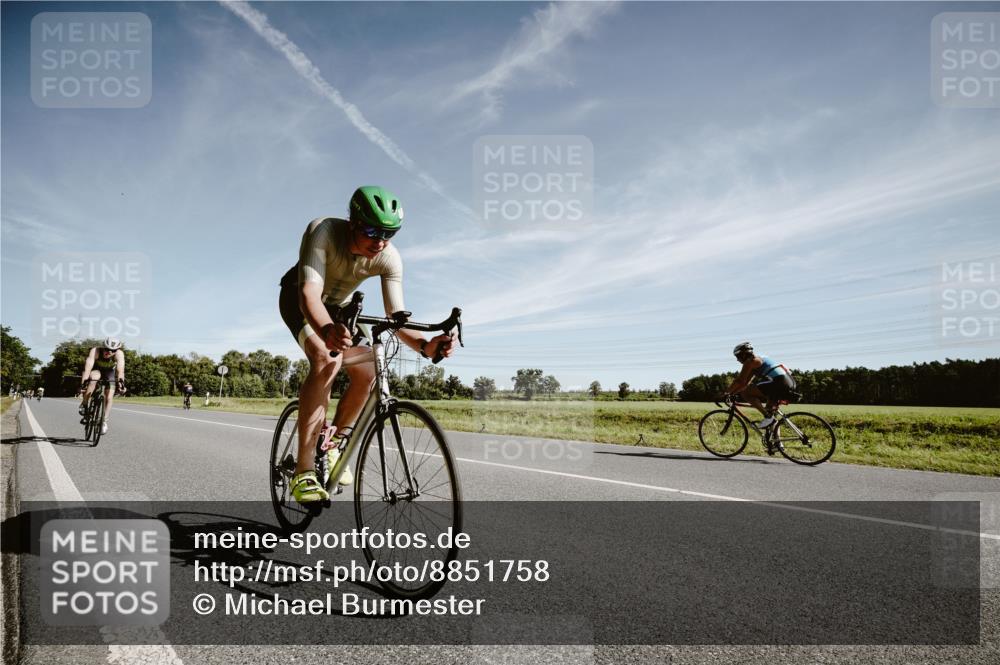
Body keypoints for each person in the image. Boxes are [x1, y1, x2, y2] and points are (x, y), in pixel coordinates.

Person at [279, 186, 457, 503]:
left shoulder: (389, 257)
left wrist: (426, 346)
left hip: (341, 310)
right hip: (300, 298)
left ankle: (331, 445)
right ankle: (303, 471)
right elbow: (309, 295)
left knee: (370, 370)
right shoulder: (323, 231)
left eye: (389, 233)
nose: (380, 241)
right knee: (326, 359)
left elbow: (395, 317)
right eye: (372, 231)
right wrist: (327, 330)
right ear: (353, 223)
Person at [724, 342, 796, 429]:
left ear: (743, 355)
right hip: (788, 382)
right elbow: (745, 383)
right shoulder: (760, 358)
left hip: (779, 382)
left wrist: (725, 393)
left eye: (738, 357)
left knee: (746, 392)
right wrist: (732, 393)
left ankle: (768, 417)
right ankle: (775, 436)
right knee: (770, 411)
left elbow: (740, 381)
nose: (737, 360)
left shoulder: (750, 361)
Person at [79, 337, 127, 434]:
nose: (109, 352)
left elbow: (120, 371)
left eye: (113, 350)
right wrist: (83, 384)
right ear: (103, 347)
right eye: (106, 349)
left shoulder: (119, 354)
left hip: (109, 373)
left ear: (116, 350)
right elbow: (88, 368)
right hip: (96, 370)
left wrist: (121, 385)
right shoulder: (95, 351)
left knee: (109, 397)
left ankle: (104, 421)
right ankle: (84, 403)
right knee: (94, 378)